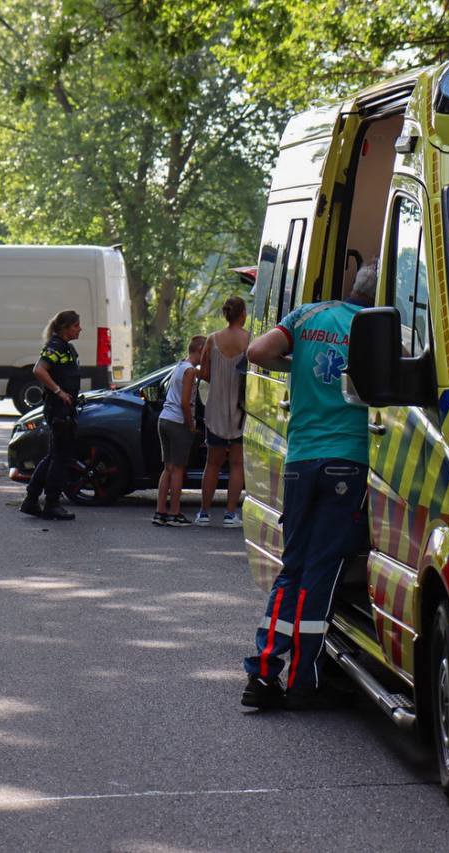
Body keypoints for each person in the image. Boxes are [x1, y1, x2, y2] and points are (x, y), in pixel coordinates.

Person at [240, 261, 377, 710]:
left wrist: (294, 365)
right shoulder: (377, 327)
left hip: (300, 459)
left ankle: (262, 671)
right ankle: (304, 680)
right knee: (323, 570)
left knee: (293, 567)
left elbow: (256, 353)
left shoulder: (307, 314)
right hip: (348, 460)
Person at [19, 310, 82, 521]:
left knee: (54, 456)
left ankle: (31, 499)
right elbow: (39, 370)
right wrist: (58, 391)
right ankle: (52, 503)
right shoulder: (56, 346)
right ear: (65, 328)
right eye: (76, 326)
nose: (80, 329)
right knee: (60, 457)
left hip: (63, 409)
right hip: (59, 410)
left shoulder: (65, 347)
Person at [195, 296, 250, 528]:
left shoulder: (212, 340)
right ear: (243, 315)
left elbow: (205, 373)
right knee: (237, 464)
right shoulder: (249, 340)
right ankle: (230, 514)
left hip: (215, 408)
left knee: (212, 464)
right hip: (240, 409)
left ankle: (204, 513)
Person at [153, 336, 205, 527]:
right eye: (206, 350)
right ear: (199, 349)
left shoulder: (180, 366)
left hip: (164, 419)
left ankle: (160, 511)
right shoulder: (190, 371)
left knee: (167, 468)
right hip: (178, 422)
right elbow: (185, 402)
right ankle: (175, 512)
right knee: (178, 469)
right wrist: (191, 425)